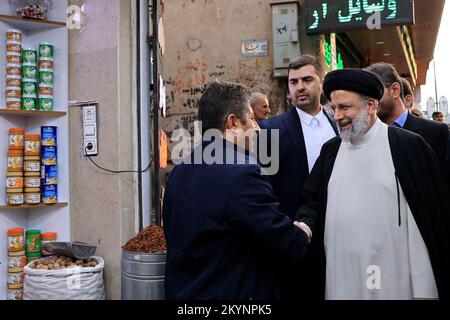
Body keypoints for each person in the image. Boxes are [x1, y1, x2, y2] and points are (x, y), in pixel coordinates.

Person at [297, 68, 450, 300]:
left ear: (371, 106)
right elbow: (312, 200)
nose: (337, 116)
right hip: (342, 276)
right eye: (334, 108)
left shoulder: (408, 147)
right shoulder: (331, 151)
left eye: (345, 107)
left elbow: (433, 218)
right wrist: (305, 225)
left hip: (393, 278)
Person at [163, 81, 312, 300]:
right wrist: (302, 231)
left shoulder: (179, 172)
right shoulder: (243, 174)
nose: (258, 129)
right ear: (233, 122)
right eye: (252, 118)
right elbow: (287, 243)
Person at [259, 54, 338, 299]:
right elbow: (264, 186)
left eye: (307, 79)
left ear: (321, 82)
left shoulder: (338, 124)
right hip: (295, 239)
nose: (300, 87)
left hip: (338, 235)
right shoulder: (270, 129)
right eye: (294, 82)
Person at [366, 62, 449, 164]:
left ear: (395, 90)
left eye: (373, 92)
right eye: (364, 96)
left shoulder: (435, 132)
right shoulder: (364, 136)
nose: (368, 101)